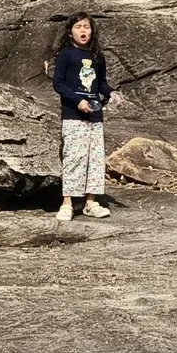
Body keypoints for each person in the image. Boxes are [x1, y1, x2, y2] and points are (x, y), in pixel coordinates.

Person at [50, 14, 121, 221]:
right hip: (73, 114)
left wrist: (111, 93)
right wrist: (76, 101)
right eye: (79, 26)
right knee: (74, 157)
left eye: (87, 27)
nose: (83, 31)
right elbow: (58, 83)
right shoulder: (66, 54)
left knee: (94, 159)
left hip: (95, 115)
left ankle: (91, 202)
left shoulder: (97, 56)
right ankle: (67, 203)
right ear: (70, 31)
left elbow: (101, 84)